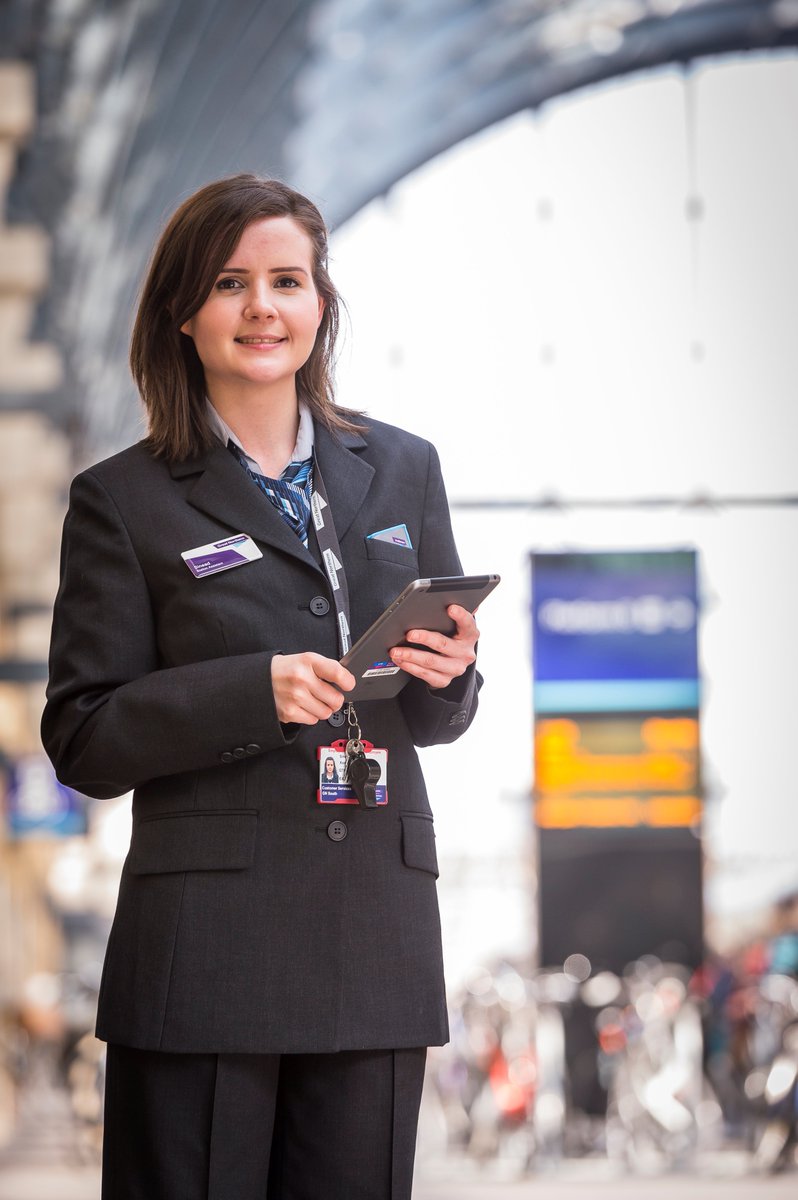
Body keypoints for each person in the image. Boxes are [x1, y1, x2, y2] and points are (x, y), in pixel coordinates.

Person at [42, 174, 482, 1200]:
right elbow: (85, 734)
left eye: (287, 280)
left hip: (375, 933)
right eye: (231, 283)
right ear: (183, 315)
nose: (262, 308)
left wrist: (451, 677)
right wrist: (254, 691)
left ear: (321, 306)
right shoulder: (124, 500)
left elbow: (434, 710)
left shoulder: (404, 470)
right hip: (206, 957)